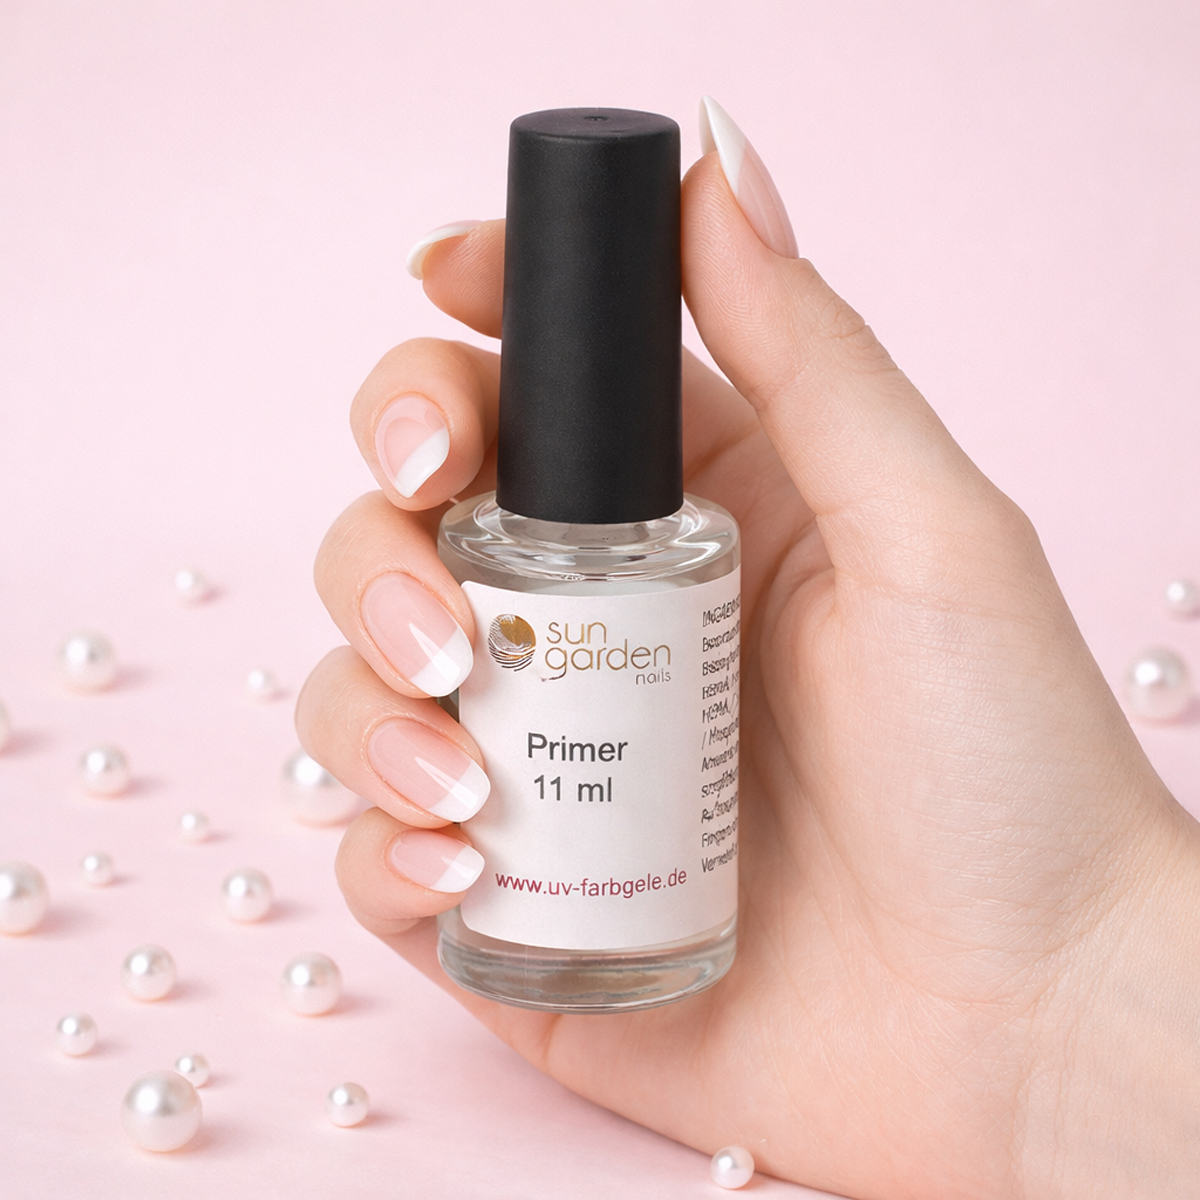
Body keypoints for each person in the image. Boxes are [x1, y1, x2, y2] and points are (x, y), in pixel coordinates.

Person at [295, 100, 1200, 1197]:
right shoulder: (494, 546)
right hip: (572, 940)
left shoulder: (707, 550)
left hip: (713, 939)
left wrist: (1078, 980)